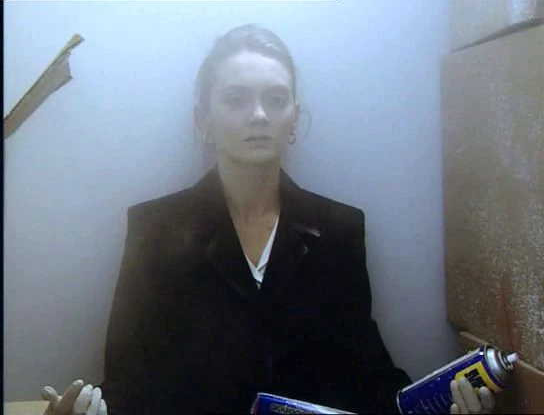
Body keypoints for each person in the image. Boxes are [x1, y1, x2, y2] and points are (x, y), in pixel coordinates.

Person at [41, 24, 496, 415]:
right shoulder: (154, 229)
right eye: (236, 99)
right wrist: (85, 409)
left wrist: (446, 402)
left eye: (276, 99)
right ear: (202, 119)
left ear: (294, 118)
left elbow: (367, 379)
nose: (259, 115)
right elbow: (128, 385)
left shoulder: (338, 230)